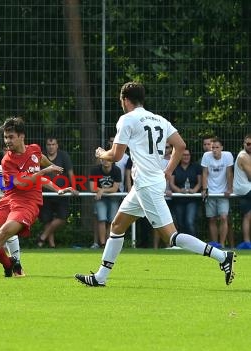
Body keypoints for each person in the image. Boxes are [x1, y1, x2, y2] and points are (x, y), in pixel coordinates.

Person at [75, 82, 235, 287]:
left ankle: (222, 257)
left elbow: (115, 155)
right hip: (148, 183)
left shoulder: (127, 119)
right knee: (117, 225)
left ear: (125, 99)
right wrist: (167, 171)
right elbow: (181, 145)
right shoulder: (159, 119)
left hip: (146, 185)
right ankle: (100, 277)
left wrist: (100, 154)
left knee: (172, 237)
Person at [0, 117, 67, 279]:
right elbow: (20, 182)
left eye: (10, 137)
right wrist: (44, 171)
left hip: (27, 204)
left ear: (21, 136)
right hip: (6, 201)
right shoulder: (8, 160)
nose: (7, 141)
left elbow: (40, 159)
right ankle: (9, 264)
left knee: (4, 233)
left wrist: (53, 177)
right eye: (5, 137)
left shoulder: (35, 150)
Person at [36, 137, 79, 248]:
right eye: (49, 144)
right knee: (47, 219)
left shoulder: (63, 156)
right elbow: (37, 175)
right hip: (45, 193)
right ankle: (52, 245)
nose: (51, 147)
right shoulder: (42, 157)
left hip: (62, 192)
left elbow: (70, 173)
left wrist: (73, 187)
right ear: (46, 146)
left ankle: (42, 237)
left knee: (62, 217)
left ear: (57, 145)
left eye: (53, 144)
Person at [201, 138, 233, 248]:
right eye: (212, 147)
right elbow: (204, 173)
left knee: (224, 217)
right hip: (210, 192)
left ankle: (222, 244)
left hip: (223, 192)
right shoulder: (206, 156)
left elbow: (229, 173)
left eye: (217, 147)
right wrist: (205, 189)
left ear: (222, 148)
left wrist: (229, 189)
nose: (214, 150)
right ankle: (215, 244)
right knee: (212, 219)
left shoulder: (228, 156)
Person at [89, 158, 121, 248]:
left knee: (112, 220)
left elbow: (115, 189)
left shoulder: (116, 170)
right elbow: (92, 188)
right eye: (104, 159)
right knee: (101, 219)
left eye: (108, 159)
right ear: (101, 160)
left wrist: (102, 190)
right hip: (100, 198)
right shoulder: (95, 170)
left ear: (112, 161)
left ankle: (109, 243)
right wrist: (101, 192)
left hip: (113, 198)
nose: (106, 161)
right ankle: (102, 244)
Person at [169, 148, 202, 236]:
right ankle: (182, 244)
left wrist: (194, 190)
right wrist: (179, 190)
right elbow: (171, 184)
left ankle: (194, 243)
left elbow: (200, 182)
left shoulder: (196, 167)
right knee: (180, 223)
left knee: (189, 221)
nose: (186, 157)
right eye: (184, 155)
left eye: (188, 155)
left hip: (192, 199)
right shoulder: (175, 167)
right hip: (178, 200)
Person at [233, 134, 251, 245]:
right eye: (248, 144)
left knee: (248, 215)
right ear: (244, 144)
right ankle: (247, 242)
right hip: (245, 189)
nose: (250, 146)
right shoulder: (244, 156)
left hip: (245, 189)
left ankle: (247, 242)